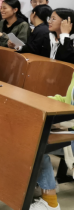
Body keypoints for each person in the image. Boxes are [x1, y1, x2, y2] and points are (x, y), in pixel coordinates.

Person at [29, 75, 74, 210]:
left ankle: (50, 202)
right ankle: (49, 188)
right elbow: (68, 101)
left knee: (36, 145)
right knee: (32, 141)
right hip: (69, 129)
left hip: (70, 133)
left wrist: (60, 123)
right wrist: (46, 100)